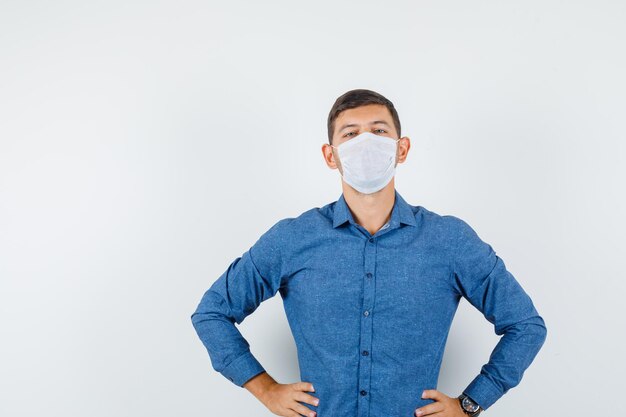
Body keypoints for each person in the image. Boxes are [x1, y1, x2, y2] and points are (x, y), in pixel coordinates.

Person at [190, 88, 547, 417]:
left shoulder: (449, 240)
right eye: (349, 134)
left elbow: (526, 325)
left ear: (401, 148)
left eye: (378, 131)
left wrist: (471, 403)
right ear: (330, 155)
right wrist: (266, 390)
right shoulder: (292, 239)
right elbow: (212, 313)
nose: (365, 142)